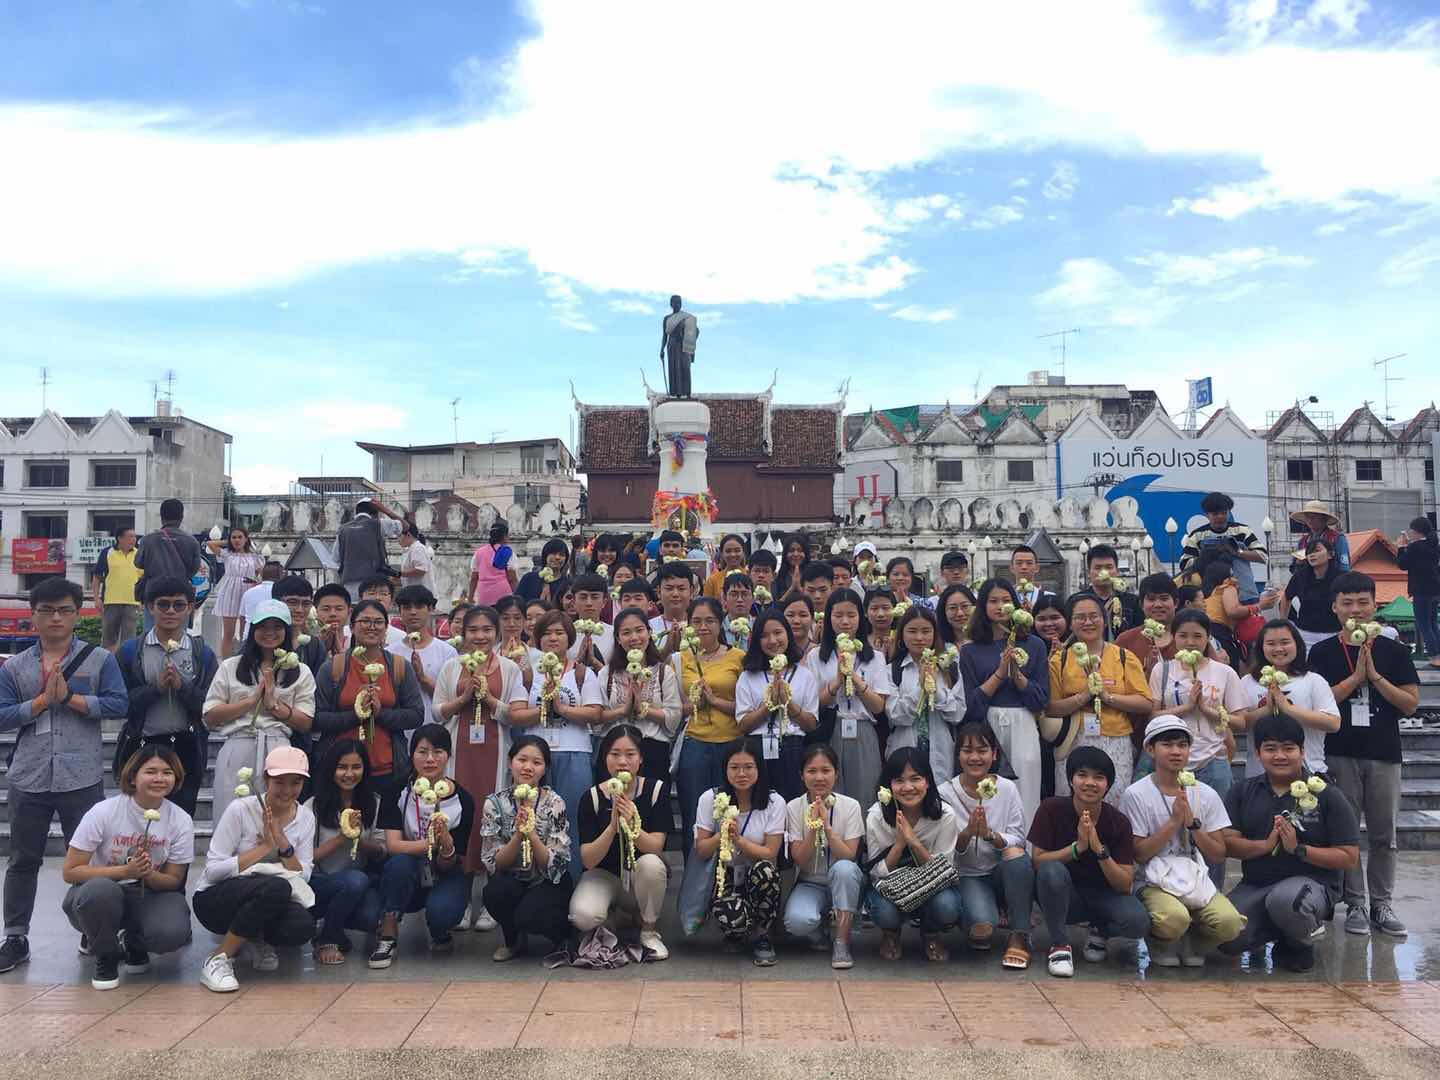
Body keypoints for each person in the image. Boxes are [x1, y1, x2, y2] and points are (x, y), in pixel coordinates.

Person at [0, 578, 128, 974]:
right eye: (47, 610)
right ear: (33, 615)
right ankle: (16, 936)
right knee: (23, 860)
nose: (56, 617)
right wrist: (40, 702)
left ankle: (93, 928)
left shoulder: (99, 659)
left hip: (81, 774)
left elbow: (119, 703)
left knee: (90, 859)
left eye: (64, 610)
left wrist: (71, 699)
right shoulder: (15, 666)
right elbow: (2, 715)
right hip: (29, 774)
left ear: (76, 614)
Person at [1306, 570, 1419, 939]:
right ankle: (1354, 903)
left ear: (1374, 605)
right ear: (1335, 608)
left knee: (1385, 835)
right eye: (1347, 603)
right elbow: (1319, 703)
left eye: (1363, 602)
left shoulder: (1394, 650)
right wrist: (1355, 679)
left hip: (1384, 753)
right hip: (1340, 753)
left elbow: (1410, 704)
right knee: (1347, 832)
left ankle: (1382, 903)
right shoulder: (1322, 652)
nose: (1355, 610)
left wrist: (1375, 677)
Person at [1220, 713, 1360, 972]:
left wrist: (1299, 850)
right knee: (1223, 935)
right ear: (1258, 753)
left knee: (1286, 902)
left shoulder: (1326, 794)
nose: (1280, 756)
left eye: (1288, 748)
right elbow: (1227, 843)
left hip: (1310, 885)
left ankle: (1299, 940)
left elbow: (1349, 856)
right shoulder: (1243, 791)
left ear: (1302, 751)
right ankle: (1277, 928)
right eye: (1270, 749)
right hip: (1256, 884)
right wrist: (1263, 846)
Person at [61, 746, 194, 989]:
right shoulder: (103, 812)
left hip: (148, 893)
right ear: (133, 777)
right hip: (101, 890)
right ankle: (106, 954)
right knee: (99, 893)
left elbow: (174, 880)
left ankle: (134, 942)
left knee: (172, 931)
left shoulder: (181, 820)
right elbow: (70, 871)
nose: (159, 778)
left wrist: (147, 873)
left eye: (167, 772)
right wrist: (124, 872)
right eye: (150, 771)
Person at [432, 604, 529, 931]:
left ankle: (489, 902)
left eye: (487, 629)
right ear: (463, 633)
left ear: (496, 632)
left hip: (495, 752)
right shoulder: (450, 668)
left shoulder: (509, 668)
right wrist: (463, 699)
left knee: (493, 819)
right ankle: (460, 901)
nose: (480, 636)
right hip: (459, 754)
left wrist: (488, 699)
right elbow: (437, 713)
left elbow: (516, 713)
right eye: (473, 630)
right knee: (462, 818)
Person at [1121, 717, 1242, 967]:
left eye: (1182, 745)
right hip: (1152, 880)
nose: (1176, 751)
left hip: (1194, 877)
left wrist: (1193, 826)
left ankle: (1193, 942)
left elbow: (1218, 854)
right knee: (1173, 918)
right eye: (1167, 745)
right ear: (1150, 749)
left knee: (1230, 923)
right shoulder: (1136, 794)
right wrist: (1173, 822)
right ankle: (1161, 942)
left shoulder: (1205, 793)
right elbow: (1139, 854)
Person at [194, 746, 317, 992]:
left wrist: (282, 843)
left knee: (302, 925)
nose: (287, 790)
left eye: (296, 782)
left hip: (274, 895)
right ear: (265, 780)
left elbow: (303, 875)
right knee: (276, 887)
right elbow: (213, 871)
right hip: (218, 898)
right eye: (279, 782)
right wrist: (264, 848)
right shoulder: (241, 809)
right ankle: (219, 958)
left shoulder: (305, 817)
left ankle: (253, 937)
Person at [1029, 746, 1148, 977]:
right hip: (1064, 894)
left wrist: (1098, 848)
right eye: (1082, 775)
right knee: (1051, 871)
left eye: (1099, 777)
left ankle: (1100, 930)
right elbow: (1038, 862)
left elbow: (1125, 884)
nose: (1090, 783)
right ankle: (1060, 945)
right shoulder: (1050, 809)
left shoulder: (1119, 822)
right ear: (1071, 780)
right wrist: (1077, 848)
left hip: (1103, 895)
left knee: (1137, 921)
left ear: (1108, 785)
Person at [202, 599, 317, 826]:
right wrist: (251, 701)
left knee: (277, 819)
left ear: (287, 630)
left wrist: (274, 705)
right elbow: (210, 715)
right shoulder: (231, 666)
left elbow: (305, 721)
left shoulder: (301, 671)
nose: (269, 633)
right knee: (231, 815)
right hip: (238, 743)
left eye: (277, 627)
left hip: (278, 746)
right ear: (253, 628)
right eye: (263, 626)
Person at [508, 610, 604, 880]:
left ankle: (570, 882)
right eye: (547, 633)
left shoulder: (582, 673)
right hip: (534, 756)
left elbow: (595, 712)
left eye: (559, 633)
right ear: (538, 638)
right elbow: (515, 714)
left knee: (571, 818)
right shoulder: (527, 675)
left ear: (569, 638)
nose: (553, 638)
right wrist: (544, 710)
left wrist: (561, 709)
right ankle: (534, 881)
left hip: (574, 752)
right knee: (533, 817)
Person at [369, 725, 476, 967]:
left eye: (438, 752)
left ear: (448, 755)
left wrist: (446, 846)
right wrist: (430, 843)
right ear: (412, 754)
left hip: (443, 872)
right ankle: (388, 934)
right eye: (422, 751)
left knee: (443, 911)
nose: (430, 759)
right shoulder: (397, 791)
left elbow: (451, 862)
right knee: (398, 864)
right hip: (407, 867)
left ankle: (440, 931)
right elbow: (393, 846)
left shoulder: (464, 800)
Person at [114, 577, 218, 816]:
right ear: (150, 607)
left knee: (180, 816)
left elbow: (211, 706)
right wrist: (156, 689)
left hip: (186, 744)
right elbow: (120, 704)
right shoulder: (131, 652)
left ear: (190, 608)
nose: (171, 611)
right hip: (142, 742)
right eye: (163, 604)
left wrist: (181, 687)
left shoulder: (201, 653)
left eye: (178, 605)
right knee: (138, 817)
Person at [938, 720, 1034, 968]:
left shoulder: (1007, 788)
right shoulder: (945, 793)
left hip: (1001, 870)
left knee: (1016, 854)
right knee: (981, 930)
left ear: (994, 754)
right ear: (958, 755)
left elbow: (1018, 837)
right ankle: (975, 915)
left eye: (982, 750)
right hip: (968, 874)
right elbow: (944, 851)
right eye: (967, 751)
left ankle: (1020, 934)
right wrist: (967, 833)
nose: (975, 758)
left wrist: (991, 835)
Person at [571, 725, 671, 958]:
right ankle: (616, 917)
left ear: (640, 758)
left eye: (630, 754)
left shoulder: (656, 790)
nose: (622, 762)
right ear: (605, 758)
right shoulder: (592, 797)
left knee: (652, 865)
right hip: (603, 874)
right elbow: (588, 860)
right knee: (582, 916)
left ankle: (649, 931)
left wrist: (633, 825)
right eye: (615, 754)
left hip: (639, 875)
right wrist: (612, 827)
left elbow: (656, 846)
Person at [685, 738, 786, 965]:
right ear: (725, 769)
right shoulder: (710, 798)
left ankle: (762, 933)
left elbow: (770, 852)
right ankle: (736, 932)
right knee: (730, 914)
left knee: (766, 871)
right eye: (734, 767)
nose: (741, 774)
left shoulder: (774, 802)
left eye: (748, 767)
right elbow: (701, 850)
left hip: (756, 874)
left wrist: (738, 840)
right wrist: (721, 835)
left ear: (759, 768)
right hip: (724, 874)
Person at [1141, 608, 1247, 820]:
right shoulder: (1162, 670)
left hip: (1213, 759)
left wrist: (1207, 710)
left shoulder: (1224, 672)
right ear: (1173, 637)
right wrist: (1186, 707)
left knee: (1214, 824)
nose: (1190, 642)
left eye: (1197, 636)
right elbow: (1152, 716)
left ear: (1208, 638)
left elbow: (1240, 722)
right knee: (1173, 820)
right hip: (1171, 760)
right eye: (1183, 635)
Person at [1048, 594, 1154, 805]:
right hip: (1073, 740)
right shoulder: (1060, 660)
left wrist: (1107, 697)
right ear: (1071, 623)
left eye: (1094, 616)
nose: (1088, 622)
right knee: (1072, 801)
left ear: (1104, 620)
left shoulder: (1123, 656)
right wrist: (1083, 696)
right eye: (1080, 617)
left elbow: (1145, 703)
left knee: (1114, 801)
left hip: (1116, 740)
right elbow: (1051, 708)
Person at [310, 600, 423, 796]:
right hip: (340, 771)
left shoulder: (399, 666)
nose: (372, 627)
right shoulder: (333, 667)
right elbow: (317, 718)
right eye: (365, 621)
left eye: (378, 622)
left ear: (386, 628)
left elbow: (416, 715)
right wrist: (357, 715)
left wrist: (380, 714)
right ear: (352, 626)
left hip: (387, 769)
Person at [960, 578, 1050, 823]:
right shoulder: (970, 650)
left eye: (1006, 600)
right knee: (990, 790)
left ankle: (1026, 842)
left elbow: (1041, 699)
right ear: (983, 606)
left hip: (1023, 721)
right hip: (987, 724)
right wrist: (1000, 673)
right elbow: (971, 704)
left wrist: (1017, 676)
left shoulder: (1034, 645)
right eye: (993, 601)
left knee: (1026, 786)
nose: (1000, 606)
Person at [480, 736, 573, 962]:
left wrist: (531, 834)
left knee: (530, 914)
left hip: (547, 880)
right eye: (522, 760)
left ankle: (563, 938)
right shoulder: (495, 803)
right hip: (512, 877)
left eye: (537, 762)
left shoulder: (555, 803)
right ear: (510, 762)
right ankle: (513, 941)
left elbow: (556, 864)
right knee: (494, 892)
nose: (528, 767)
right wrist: (518, 835)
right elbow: (494, 862)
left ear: (545, 768)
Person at [865, 747, 961, 961]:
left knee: (947, 906)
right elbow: (876, 873)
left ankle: (931, 933)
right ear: (888, 785)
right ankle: (891, 934)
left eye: (915, 779)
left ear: (927, 782)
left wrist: (914, 842)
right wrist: (899, 844)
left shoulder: (945, 815)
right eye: (899, 780)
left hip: (933, 887)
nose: (908, 787)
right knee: (884, 911)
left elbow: (945, 872)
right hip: (891, 887)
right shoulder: (876, 816)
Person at [782, 744, 865, 969]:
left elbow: (849, 855)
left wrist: (827, 827)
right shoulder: (793, 807)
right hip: (810, 881)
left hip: (844, 879)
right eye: (812, 771)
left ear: (836, 774)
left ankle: (842, 941)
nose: (819, 777)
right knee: (797, 922)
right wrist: (813, 827)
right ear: (802, 775)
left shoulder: (850, 806)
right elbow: (799, 859)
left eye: (826, 770)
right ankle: (819, 933)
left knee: (844, 869)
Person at [305, 739, 385, 965]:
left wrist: (359, 840)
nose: (349, 774)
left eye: (356, 767)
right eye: (342, 767)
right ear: (331, 769)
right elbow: (304, 859)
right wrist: (341, 838)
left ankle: (333, 927)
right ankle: (328, 939)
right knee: (355, 880)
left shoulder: (374, 802)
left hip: (358, 883)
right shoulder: (313, 806)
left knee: (372, 916)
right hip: (319, 881)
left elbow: (382, 850)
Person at [676, 597, 746, 853]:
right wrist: (696, 703)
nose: (703, 627)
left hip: (731, 743)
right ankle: (695, 873)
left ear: (721, 623)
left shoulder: (738, 657)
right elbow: (674, 707)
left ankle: (727, 870)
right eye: (696, 621)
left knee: (729, 812)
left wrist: (714, 701)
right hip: (695, 743)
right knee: (694, 813)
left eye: (710, 621)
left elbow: (747, 706)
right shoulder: (680, 659)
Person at [813, 591, 889, 809]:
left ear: (860, 617)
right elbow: (814, 703)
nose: (845, 621)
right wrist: (837, 682)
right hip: (830, 728)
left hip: (863, 729)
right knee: (830, 794)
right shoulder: (816, 656)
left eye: (851, 615)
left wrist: (855, 679)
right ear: (829, 617)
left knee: (865, 793)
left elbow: (878, 706)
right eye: (838, 615)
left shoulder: (875, 657)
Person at [1237, 620, 1339, 780]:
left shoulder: (1313, 680)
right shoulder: (1247, 682)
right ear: (1261, 648)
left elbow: (1333, 723)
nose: (1278, 649)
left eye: (1285, 642)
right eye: (1271, 643)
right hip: (1259, 776)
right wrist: (1266, 710)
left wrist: (1288, 709)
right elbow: (1240, 724)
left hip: (1308, 773)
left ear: (1297, 645)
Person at [735, 610, 820, 801]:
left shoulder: (804, 674)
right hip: (758, 747)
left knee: (792, 805)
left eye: (778, 633)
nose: (772, 641)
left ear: (787, 634)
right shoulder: (748, 676)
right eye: (764, 635)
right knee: (759, 803)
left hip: (793, 748)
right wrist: (769, 706)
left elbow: (811, 724)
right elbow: (743, 724)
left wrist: (788, 704)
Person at [598, 609, 683, 781]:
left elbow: (674, 716)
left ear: (649, 633)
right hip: (615, 750)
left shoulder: (663, 672)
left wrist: (643, 709)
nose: (634, 637)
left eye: (639, 630)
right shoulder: (607, 673)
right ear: (618, 639)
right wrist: (623, 711)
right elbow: (597, 718)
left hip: (652, 750)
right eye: (626, 633)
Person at [886, 604, 962, 785]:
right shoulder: (893, 670)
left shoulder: (949, 668)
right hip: (903, 748)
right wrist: (920, 688)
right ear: (902, 635)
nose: (919, 638)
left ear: (935, 634)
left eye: (926, 631)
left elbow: (958, 714)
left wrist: (935, 689)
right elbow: (896, 715)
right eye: (912, 631)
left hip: (941, 752)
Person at [389, 585, 458, 730]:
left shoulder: (447, 652)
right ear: (400, 611)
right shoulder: (390, 653)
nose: (413, 612)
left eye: (419, 606)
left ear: (430, 609)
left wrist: (422, 678)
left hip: (437, 729)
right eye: (407, 607)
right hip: (401, 730)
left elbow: (453, 698)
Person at [1179, 492, 1268, 604]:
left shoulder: (1242, 530)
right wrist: (1205, 557)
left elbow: (1263, 556)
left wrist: (1238, 552)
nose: (1220, 517)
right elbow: (1184, 564)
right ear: (1207, 515)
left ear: (1229, 512)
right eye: (1215, 514)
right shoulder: (1197, 535)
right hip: (1210, 597)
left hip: (1244, 594)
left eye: (1224, 513)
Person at [134, 499, 202, 633]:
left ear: (161, 516)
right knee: (179, 634)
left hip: (154, 592)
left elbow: (138, 563)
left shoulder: (148, 539)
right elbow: (194, 569)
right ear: (181, 517)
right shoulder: (191, 541)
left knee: (151, 634)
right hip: (180, 593)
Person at [207, 526, 265, 659]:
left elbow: (261, 574)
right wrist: (226, 541)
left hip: (248, 591)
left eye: (240, 537)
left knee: (245, 631)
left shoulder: (254, 556)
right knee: (228, 633)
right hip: (230, 592)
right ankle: (225, 663)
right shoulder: (227, 554)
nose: (237, 540)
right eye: (234, 537)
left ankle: (244, 660)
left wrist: (257, 582)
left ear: (246, 539)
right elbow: (210, 544)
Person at [1278, 539, 1342, 649]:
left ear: (1330, 554)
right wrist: (1283, 623)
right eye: (1309, 552)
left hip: (1334, 633)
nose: (1312, 555)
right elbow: (1286, 597)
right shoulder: (1300, 577)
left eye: (1317, 550)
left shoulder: (1341, 577)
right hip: (1305, 634)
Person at [336, 499, 401, 601]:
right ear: (376, 513)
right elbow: (404, 526)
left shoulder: (343, 529)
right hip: (373, 584)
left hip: (350, 583)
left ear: (356, 512)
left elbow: (335, 558)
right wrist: (385, 510)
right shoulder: (378, 524)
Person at [91, 525, 143, 653]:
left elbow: (143, 579)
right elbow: (97, 577)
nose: (134, 539)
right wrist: (96, 599)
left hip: (132, 602)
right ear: (120, 538)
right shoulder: (107, 553)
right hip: (110, 602)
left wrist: (143, 600)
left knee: (129, 639)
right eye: (130, 536)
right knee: (108, 638)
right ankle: (107, 661)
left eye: (134, 536)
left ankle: (125, 663)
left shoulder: (139, 554)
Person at [1396, 517, 1440, 667]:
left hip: (1421, 590)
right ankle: (1438, 655)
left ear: (1417, 531)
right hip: (1435, 590)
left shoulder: (1416, 547)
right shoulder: (1434, 545)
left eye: (1411, 530)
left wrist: (1401, 547)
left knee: (1424, 625)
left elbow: (1402, 564)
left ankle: (1434, 657)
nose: (1410, 533)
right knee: (1433, 624)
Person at [1078, 545, 1143, 637]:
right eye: (1098, 568)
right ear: (1088, 572)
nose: (1104, 572)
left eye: (1109, 567)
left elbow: (1139, 633)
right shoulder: (1078, 601)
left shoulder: (1132, 602)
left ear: (1117, 571)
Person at [1290, 499, 1350, 571]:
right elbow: (1294, 567)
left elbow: (1344, 567)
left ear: (1324, 518)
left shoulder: (1337, 538)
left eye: (1314, 517)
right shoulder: (1303, 541)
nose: (1310, 520)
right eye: (1307, 517)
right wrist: (1299, 563)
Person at [469, 522, 517, 607]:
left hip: (484, 595)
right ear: (505, 536)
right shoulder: (507, 552)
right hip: (503, 594)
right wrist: (517, 596)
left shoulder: (479, 552)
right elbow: (512, 579)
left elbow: (474, 578)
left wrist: (470, 597)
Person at [660, 294, 699, 397]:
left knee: (685, 368)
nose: (678, 304)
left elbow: (695, 331)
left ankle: (687, 393)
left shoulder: (687, 317)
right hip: (672, 345)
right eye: (675, 303)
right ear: (671, 304)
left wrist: (689, 338)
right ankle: (677, 394)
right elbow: (664, 336)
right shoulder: (667, 318)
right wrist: (661, 349)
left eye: (679, 303)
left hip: (684, 346)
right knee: (674, 369)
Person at [236, 561, 283, 642]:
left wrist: (242, 637)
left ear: (262, 575)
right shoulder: (282, 592)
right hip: (274, 638)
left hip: (249, 636)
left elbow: (242, 618)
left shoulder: (248, 593)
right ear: (280, 575)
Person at [515, 538, 571, 604]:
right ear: (545, 556)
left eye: (561, 555)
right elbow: (517, 603)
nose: (557, 557)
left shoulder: (567, 584)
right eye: (553, 553)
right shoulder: (529, 578)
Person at [357, 575, 408, 647]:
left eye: (383, 594)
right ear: (360, 599)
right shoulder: (346, 633)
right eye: (371, 593)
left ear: (392, 601)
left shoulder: (401, 637)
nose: (377, 598)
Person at [1009, 546, 1057, 611]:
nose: (1024, 567)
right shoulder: (1005, 597)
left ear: (1037, 568)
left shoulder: (1049, 597)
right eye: (1019, 563)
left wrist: (1035, 612)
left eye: (1029, 563)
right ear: (1011, 568)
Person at [704, 534, 750, 599]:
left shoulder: (750, 576)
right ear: (722, 554)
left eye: (737, 550)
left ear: (743, 552)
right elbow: (706, 604)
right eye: (728, 551)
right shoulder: (712, 581)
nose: (733, 554)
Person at [397, 524, 437, 598]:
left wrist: (399, 574)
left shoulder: (417, 548)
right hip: (413, 595)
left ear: (408, 535)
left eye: (399, 536)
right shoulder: (410, 550)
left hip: (422, 597)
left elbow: (420, 570)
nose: (398, 539)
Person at [937, 583, 976, 652]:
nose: (960, 613)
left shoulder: (986, 641)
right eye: (953, 608)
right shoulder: (937, 644)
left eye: (965, 606)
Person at [721, 572, 756, 649]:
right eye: (734, 594)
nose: (740, 599)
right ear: (724, 597)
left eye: (745, 594)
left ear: (753, 598)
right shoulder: (718, 628)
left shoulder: (759, 627)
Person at [773, 533, 811, 599]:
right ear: (785, 554)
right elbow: (776, 604)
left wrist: (799, 588)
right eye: (791, 550)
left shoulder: (813, 575)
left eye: (800, 550)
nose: (795, 554)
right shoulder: (779, 578)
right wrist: (792, 588)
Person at [865, 587, 896, 659]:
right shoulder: (860, 643)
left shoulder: (903, 641)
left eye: (886, 608)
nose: (880, 614)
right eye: (874, 608)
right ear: (865, 612)